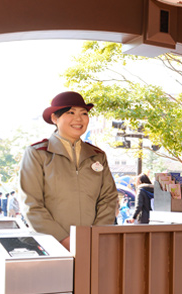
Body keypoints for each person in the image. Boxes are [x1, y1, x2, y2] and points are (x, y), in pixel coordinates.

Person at [20, 91, 118, 250]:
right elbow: (31, 204)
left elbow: (108, 199)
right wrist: (63, 240)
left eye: (84, 113)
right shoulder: (38, 153)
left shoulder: (97, 156)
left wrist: (95, 236)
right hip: (50, 246)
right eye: (70, 112)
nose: (78, 119)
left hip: (93, 245)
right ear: (54, 118)